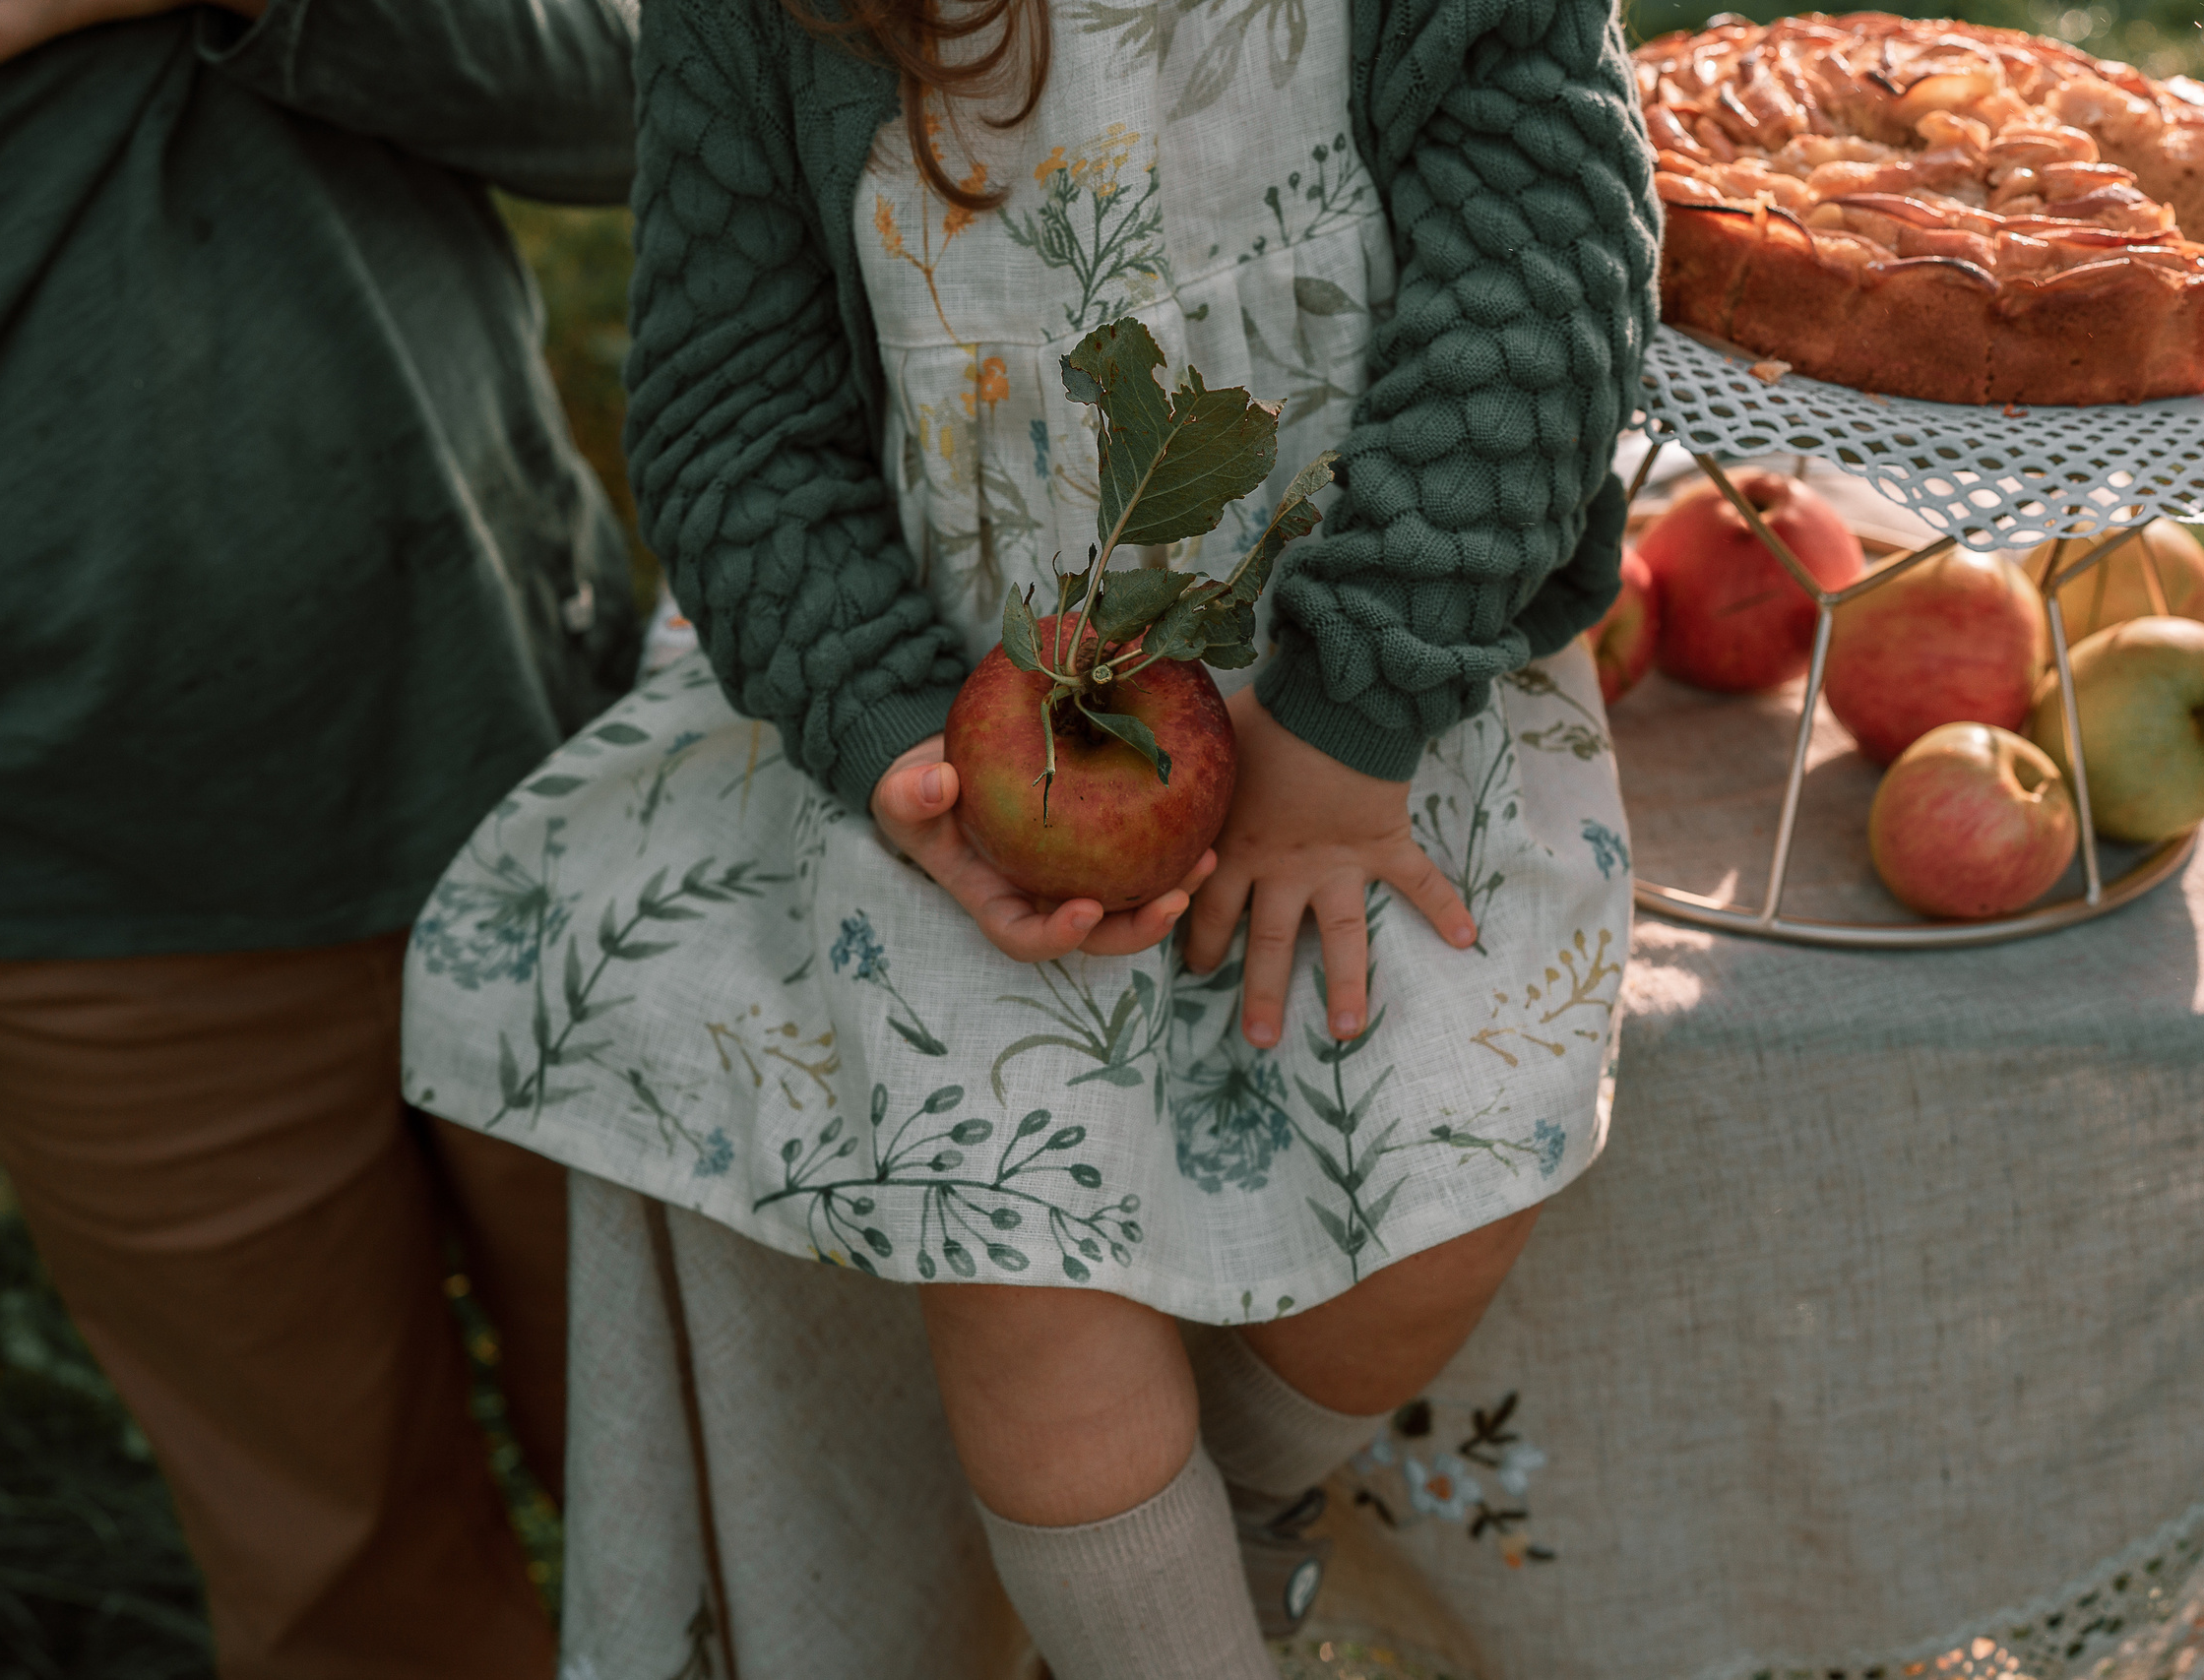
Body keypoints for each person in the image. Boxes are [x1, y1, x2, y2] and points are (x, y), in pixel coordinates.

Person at [399, 0, 1657, 1668]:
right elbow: (732, 419)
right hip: (966, 698)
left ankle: (1224, 1526)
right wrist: (899, 734)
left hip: (1392, 664)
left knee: (1458, 1136)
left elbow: (1544, 283)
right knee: (1026, 1270)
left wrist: (1355, 713)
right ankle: (1158, 1641)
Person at [0, 0, 639, 1670]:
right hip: (67, 883)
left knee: (751, 1479)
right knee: (352, 1582)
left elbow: (642, 99)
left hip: (542, 783)